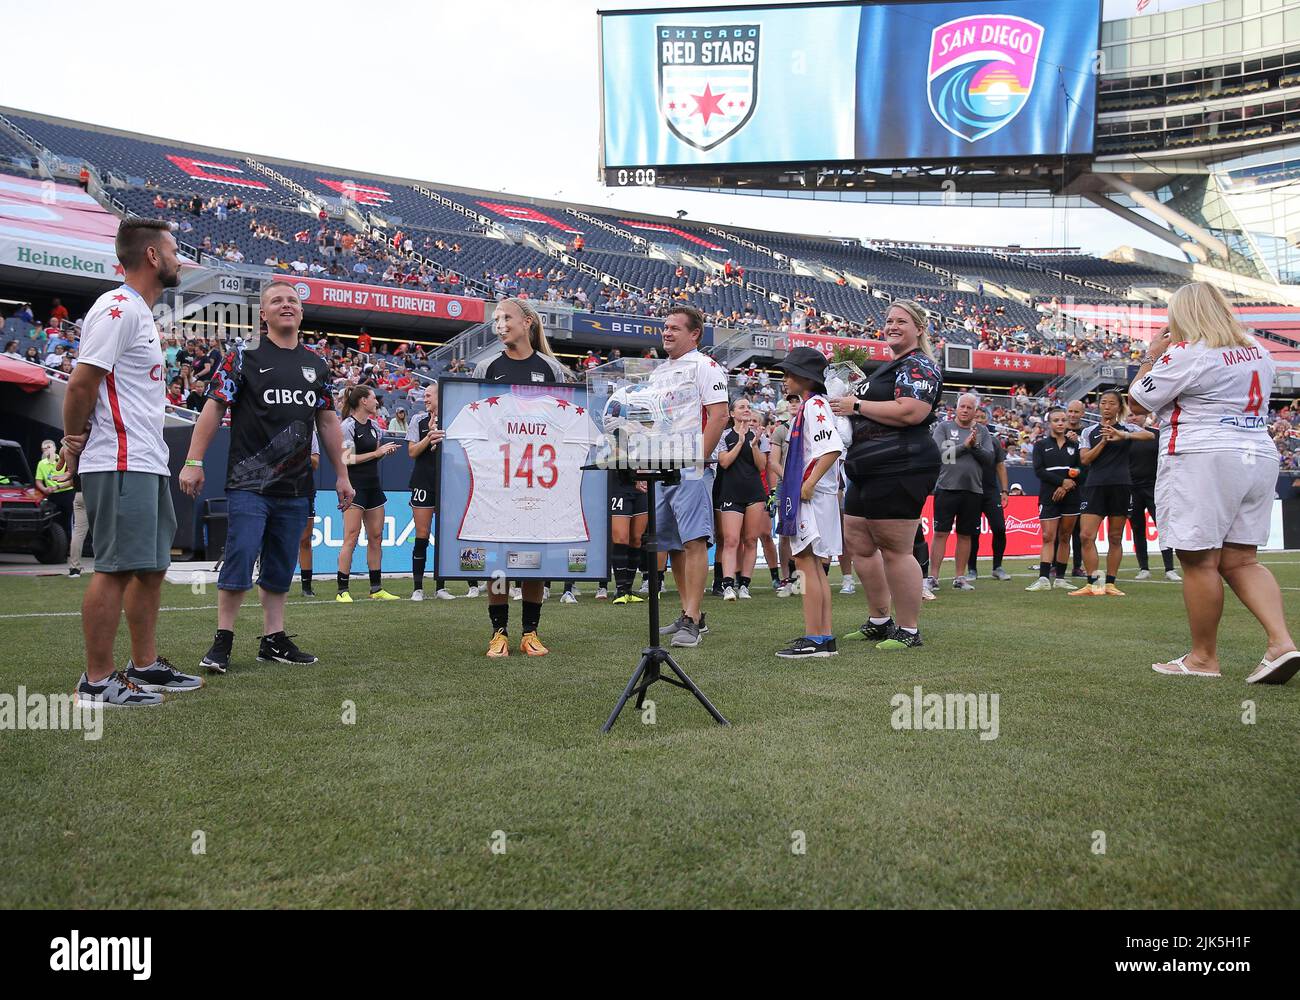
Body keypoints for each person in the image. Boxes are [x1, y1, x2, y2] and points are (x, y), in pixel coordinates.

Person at [62, 219, 202, 706]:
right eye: (174, 250)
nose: (179, 258)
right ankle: (96, 681)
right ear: (151, 256)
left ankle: (145, 665)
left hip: (145, 460)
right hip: (120, 459)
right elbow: (82, 383)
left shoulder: (140, 313)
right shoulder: (118, 308)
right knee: (117, 568)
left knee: (151, 567)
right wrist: (71, 439)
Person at [1129, 282, 1297, 683]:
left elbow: (1137, 401)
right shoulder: (1257, 349)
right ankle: (1281, 643)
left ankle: (1203, 658)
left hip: (1204, 454)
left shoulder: (1187, 352)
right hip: (1257, 452)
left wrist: (1150, 356)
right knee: (1242, 559)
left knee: (1198, 559)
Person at [181, 280, 354, 672]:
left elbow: (327, 423)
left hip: (295, 487)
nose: (286, 305)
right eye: (277, 301)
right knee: (240, 556)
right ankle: (223, 639)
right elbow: (213, 409)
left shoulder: (318, 365)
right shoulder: (243, 357)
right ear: (263, 314)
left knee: (280, 565)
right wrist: (193, 460)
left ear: (301, 312)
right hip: (249, 483)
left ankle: (273, 639)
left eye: (293, 300)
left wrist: (341, 474)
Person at [829, 300, 943, 649]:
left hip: (902, 462)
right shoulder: (890, 366)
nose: (892, 325)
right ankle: (880, 620)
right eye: (889, 320)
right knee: (859, 542)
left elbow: (912, 410)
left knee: (895, 547)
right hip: (866, 465)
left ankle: (908, 630)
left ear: (919, 328)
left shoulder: (920, 364)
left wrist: (856, 405)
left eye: (902, 321)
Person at [471, 297, 573, 656]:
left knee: (532, 559)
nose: (500, 324)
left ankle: (530, 632)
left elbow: (560, 427)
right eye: (496, 319)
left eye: (507, 318)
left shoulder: (551, 369)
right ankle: (499, 632)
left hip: (536, 481)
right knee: (498, 560)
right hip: (497, 479)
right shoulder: (485, 368)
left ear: (528, 322)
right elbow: (477, 421)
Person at [652, 305, 730, 649]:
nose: (667, 333)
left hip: (689, 466)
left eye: (674, 328)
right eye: (665, 327)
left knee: (694, 540)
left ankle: (693, 619)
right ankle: (689, 613)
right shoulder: (657, 372)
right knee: (672, 544)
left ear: (694, 334)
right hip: (662, 465)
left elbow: (719, 415)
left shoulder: (705, 366)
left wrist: (698, 459)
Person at [773, 347, 844, 658]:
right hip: (819, 495)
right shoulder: (813, 405)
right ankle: (823, 637)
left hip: (812, 497)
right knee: (814, 565)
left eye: (789, 373)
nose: (785, 379)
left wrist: (809, 484)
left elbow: (832, 448)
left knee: (805, 563)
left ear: (805, 377)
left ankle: (815, 638)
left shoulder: (814, 406)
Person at [1069, 389, 1150, 597]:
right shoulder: (1089, 432)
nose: (1106, 406)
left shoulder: (1126, 428)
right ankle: (1094, 583)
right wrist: (1105, 441)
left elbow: (1149, 434)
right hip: (1095, 485)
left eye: (1111, 403)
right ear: (1098, 406)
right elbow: (1085, 460)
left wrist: (1123, 435)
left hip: (1121, 486)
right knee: (1086, 535)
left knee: (1115, 537)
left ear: (1119, 407)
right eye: (1103, 403)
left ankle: (1111, 583)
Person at [407, 381, 480, 601]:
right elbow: (412, 452)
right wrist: (428, 438)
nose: (425, 399)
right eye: (425, 396)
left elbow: (462, 453)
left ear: (441, 396)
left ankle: (448, 586)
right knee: (422, 534)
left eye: (429, 395)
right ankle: (418, 588)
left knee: (451, 534)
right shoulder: (417, 420)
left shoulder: (454, 421)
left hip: (449, 481)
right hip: (423, 481)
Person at [337, 385, 401, 602]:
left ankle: (376, 588)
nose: (377, 402)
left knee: (376, 537)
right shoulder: (347, 426)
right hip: (354, 487)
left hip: (373, 487)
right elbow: (347, 458)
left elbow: (374, 456)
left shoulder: (375, 426)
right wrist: (377, 452)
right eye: (374, 398)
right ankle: (342, 590)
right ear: (363, 401)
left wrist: (383, 453)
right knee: (351, 537)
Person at [927, 393, 994, 592]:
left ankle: (960, 577)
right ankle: (933, 576)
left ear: (975, 411)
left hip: (973, 490)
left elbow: (989, 459)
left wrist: (975, 446)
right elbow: (940, 454)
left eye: (969, 407)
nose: (965, 410)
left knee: (965, 535)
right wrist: (965, 446)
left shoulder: (982, 431)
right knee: (940, 533)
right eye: (962, 406)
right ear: (956, 408)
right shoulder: (944, 427)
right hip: (946, 488)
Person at [715, 397, 770, 600]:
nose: (746, 410)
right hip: (730, 492)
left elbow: (762, 466)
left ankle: (744, 585)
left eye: (748, 407)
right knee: (731, 540)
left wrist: (754, 445)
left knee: (750, 540)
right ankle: (728, 585)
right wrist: (739, 442)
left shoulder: (759, 436)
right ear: (732, 413)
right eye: (741, 407)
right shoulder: (724, 436)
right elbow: (725, 463)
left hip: (754, 492)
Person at [1025, 409, 1083, 592]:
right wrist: (1060, 482)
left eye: (1063, 420)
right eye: (1056, 420)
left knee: (1065, 537)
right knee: (1048, 536)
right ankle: (1043, 578)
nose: (1060, 423)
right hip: (1048, 496)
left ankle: (1060, 578)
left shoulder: (1074, 445)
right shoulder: (1041, 445)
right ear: (1049, 423)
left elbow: (1080, 468)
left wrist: (1067, 485)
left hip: (1071, 496)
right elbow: (1039, 471)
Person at [1127, 411, 1181, 583]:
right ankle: (1143, 568)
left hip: (1155, 487)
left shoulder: (1157, 435)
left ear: (1146, 417)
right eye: (1130, 415)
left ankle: (1169, 568)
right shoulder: (1124, 437)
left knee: (1163, 527)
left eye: (1136, 415)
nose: (1133, 418)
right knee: (1137, 528)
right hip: (1132, 489)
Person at [966, 410, 1011, 581]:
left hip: (991, 492)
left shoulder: (993, 441)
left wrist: (1005, 490)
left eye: (982, 417)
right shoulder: (965, 439)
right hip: (971, 490)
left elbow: (1000, 466)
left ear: (987, 421)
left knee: (999, 528)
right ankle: (972, 569)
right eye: (975, 417)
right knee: (972, 532)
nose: (978, 420)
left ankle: (997, 567)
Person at [1064, 399, 1090, 576]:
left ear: (1083, 414)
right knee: (1060, 528)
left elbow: (1087, 459)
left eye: (1076, 412)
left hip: (1081, 486)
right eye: (1070, 411)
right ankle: (1055, 565)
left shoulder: (1087, 434)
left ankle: (1077, 566)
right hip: (1060, 485)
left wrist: (1077, 442)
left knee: (1079, 530)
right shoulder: (1058, 430)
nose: (1073, 415)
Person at [34, 439, 75, 540]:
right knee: (53, 522)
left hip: (67, 493)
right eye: (44, 449)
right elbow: (38, 481)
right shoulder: (41, 464)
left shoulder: (64, 459)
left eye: (49, 447)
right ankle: (57, 549)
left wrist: (57, 486)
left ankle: (69, 547)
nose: (47, 450)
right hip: (52, 496)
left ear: (55, 448)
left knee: (69, 521)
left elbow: (72, 480)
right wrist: (44, 489)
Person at [298, 431, 320, 597]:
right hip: (277, 487)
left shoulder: (309, 433)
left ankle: (306, 585)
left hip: (305, 489)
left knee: (306, 539)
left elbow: (315, 462)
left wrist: (299, 451)